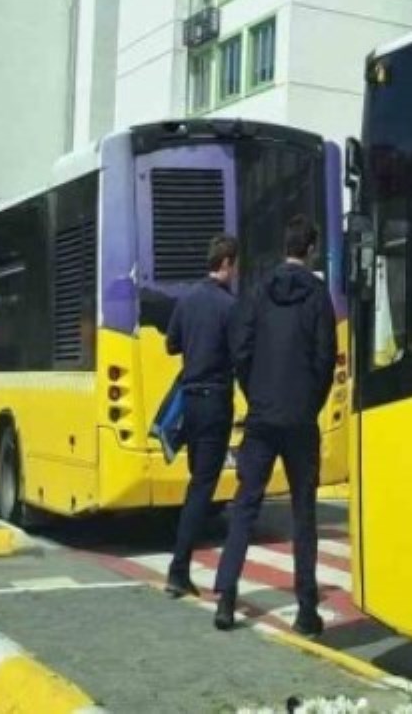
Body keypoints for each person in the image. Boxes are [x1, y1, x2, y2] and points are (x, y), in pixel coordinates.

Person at [215, 216, 337, 636]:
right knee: (304, 512)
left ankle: (227, 598)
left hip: (263, 417)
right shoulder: (319, 296)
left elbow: (241, 349)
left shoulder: (258, 291)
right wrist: (310, 404)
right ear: (312, 249)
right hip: (301, 419)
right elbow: (326, 358)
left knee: (246, 506)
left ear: (284, 246)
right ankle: (306, 609)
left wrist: (255, 396)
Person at [163, 235, 241, 598]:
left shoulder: (188, 300)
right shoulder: (229, 306)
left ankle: (179, 567)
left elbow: (171, 344)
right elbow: (241, 352)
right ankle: (178, 569)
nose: (236, 271)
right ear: (226, 263)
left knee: (198, 479)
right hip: (214, 401)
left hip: (189, 402)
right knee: (202, 488)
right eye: (235, 264)